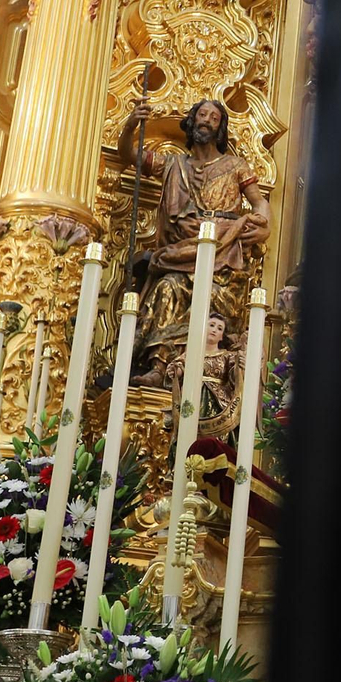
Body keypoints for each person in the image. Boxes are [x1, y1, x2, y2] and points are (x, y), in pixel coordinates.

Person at [117, 98, 271, 385]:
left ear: (220, 127)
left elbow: (259, 203)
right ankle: (160, 368)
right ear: (192, 121)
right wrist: (130, 126)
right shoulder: (173, 164)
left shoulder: (236, 166)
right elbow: (129, 155)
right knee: (167, 288)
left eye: (214, 118)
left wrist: (264, 228)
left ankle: (204, 368)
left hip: (222, 254)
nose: (206, 121)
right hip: (182, 253)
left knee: (213, 296)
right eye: (202, 115)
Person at [165, 313, 245, 441]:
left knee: (215, 442)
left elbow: (234, 376)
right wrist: (175, 372)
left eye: (219, 328)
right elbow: (180, 366)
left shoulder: (227, 356)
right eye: (211, 325)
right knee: (187, 439)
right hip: (192, 400)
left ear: (221, 337)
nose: (214, 330)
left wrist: (239, 366)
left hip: (218, 407)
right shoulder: (192, 353)